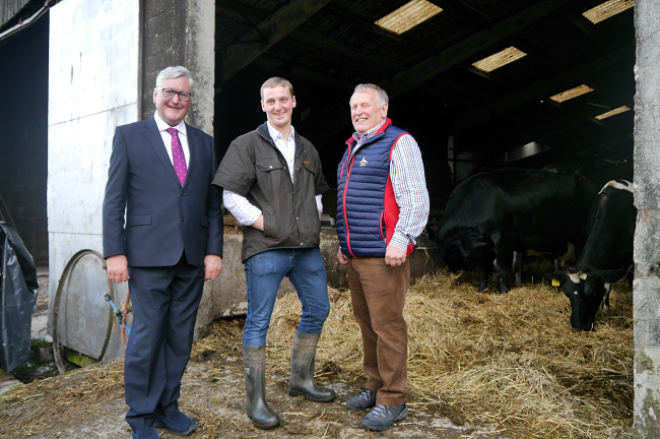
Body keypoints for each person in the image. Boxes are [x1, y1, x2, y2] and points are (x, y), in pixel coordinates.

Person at [103, 66, 223, 439]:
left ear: (190, 100)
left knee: (179, 338)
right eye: (169, 92)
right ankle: (140, 416)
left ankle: (167, 407)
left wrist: (213, 251)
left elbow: (210, 204)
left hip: (192, 257)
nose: (176, 100)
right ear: (155, 95)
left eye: (183, 95)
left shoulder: (204, 143)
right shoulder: (129, 136)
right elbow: (114, 200)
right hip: (147, 257)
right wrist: (115, 253)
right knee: (146, 337)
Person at [213, 77, 334, 430]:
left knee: (319, 308)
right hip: (267, 248)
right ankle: (256, 402)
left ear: (294, 102)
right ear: (263, 105)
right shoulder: (246, 145)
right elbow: (231, 196)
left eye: (284, 99)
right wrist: (267, 223)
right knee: (258, 321)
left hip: (305, 248)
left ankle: (301, 380)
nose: (278, 106)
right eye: (271, 101)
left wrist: (309, 224)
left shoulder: (308, 148)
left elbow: (315, 195)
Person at [336, 83, 429, 431]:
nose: (358, 111)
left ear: (382, 110)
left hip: (383, 255)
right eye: (354, 106)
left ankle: (393, 398)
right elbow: (349, 201)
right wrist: (345, 245)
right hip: (357, 255)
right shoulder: (352, 147)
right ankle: (374, 385)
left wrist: (400, 238)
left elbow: (415, 197)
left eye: (365, 105)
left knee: (388, 325)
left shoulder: (398, 142)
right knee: (367, 323)